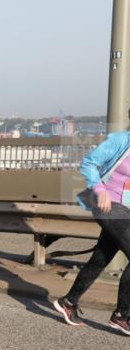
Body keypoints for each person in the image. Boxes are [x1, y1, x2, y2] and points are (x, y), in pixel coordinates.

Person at [52, 120, 130, 335]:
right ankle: (122, 315)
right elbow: (88, 162)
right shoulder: (121, 140)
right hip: (108, 204)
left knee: (100, 259)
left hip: (127, 210)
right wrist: (99, 189)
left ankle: (68, 302)